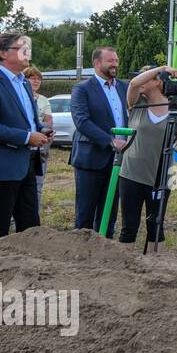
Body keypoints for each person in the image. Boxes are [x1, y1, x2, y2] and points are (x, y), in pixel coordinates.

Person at [0, 32, 50, 238]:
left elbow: (27, 120)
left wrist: (42, 129)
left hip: (27, 163)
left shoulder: (24, 83)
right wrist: (27, 137)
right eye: (21, 48)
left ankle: (27, 269)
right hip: (2, 166)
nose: (28, 52)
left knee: (31, 227)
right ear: (3, 53)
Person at [115, 65, 177, 246]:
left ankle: (155, 266)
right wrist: (163, 68)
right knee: (129, 225)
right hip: (132, 172)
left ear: (156, 81)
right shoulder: (137, 104)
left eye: (145, 78)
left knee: (156, 225)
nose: (140, 83)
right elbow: (133, 83)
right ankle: (126, 268)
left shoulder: (175, 108)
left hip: (163, 174)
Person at [68, 46, 128, 236]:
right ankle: (82, 254)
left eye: (116, 60)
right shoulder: (82, 89)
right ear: (96, 63)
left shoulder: (124, 87)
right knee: (85, 213)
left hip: (118, 160)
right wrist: (110, 141)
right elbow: (82, 121)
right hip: (91, 159)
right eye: (110, 60)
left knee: (109, 213)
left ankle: (106, 251)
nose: (115, 64)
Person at [24, 66, 54, 211]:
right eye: (32, 78)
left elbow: (49, 122)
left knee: (38, 183)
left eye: (39, 79)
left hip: (41, 148)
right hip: (24, 145)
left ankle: (34, 214)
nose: (36, 81)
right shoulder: (21, 96)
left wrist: (46, 129)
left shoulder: (43, 99)